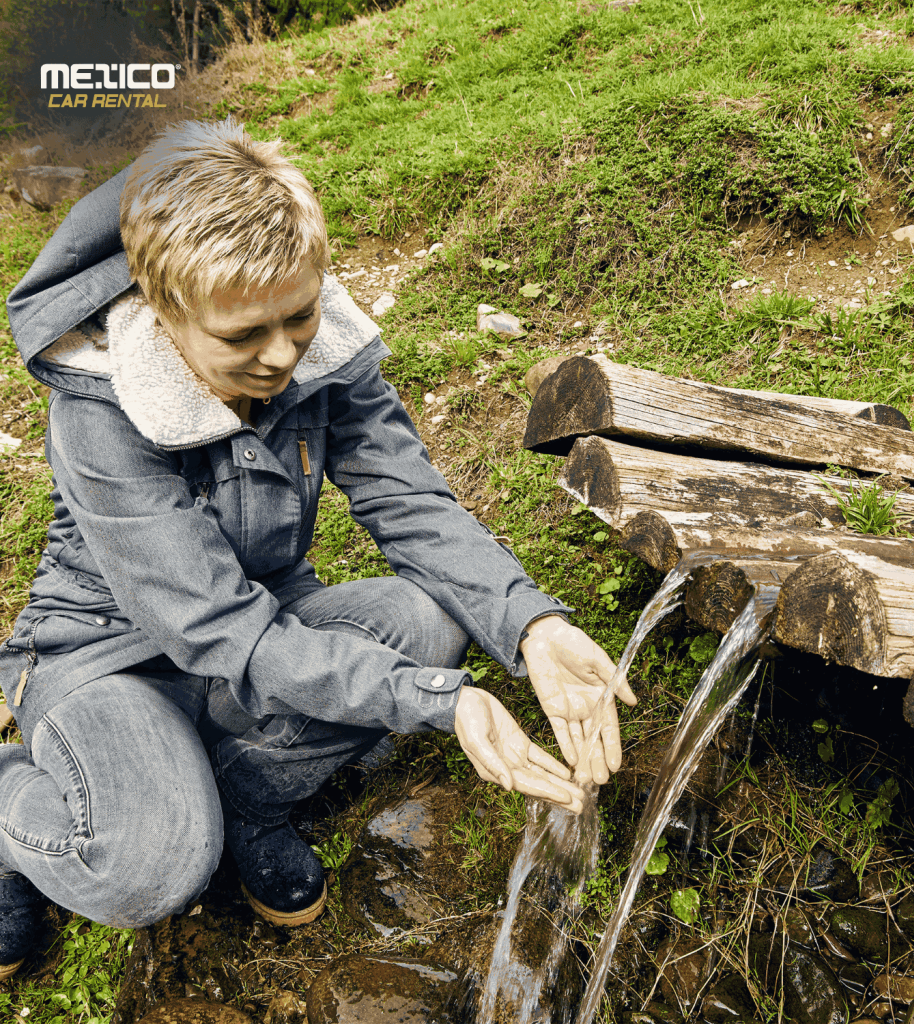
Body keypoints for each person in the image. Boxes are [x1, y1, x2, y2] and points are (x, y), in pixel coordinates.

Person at [0, 119, 636, 978]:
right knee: (147, 869)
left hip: (261, 623)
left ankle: (242, 799)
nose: (280, 358)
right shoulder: (97, 412)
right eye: (241, 338)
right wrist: (439, 704)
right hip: (110, 657)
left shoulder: (325, 357)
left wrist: (531, 626)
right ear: (162, 309)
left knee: (421, 623)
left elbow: (410, 502)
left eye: (298, 317)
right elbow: (221, 631)